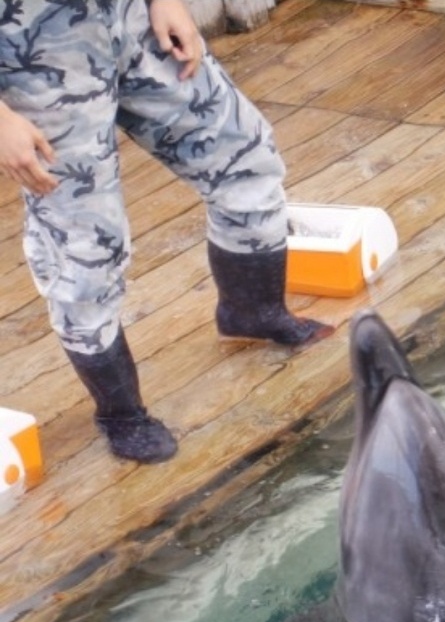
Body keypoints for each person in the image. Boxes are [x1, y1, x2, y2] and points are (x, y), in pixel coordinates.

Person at [0, 0, 332, 465]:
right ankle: (121, 413)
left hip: (129, 14)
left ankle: (254, 313)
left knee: (243, 157)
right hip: (30, 50)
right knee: (85, 246)